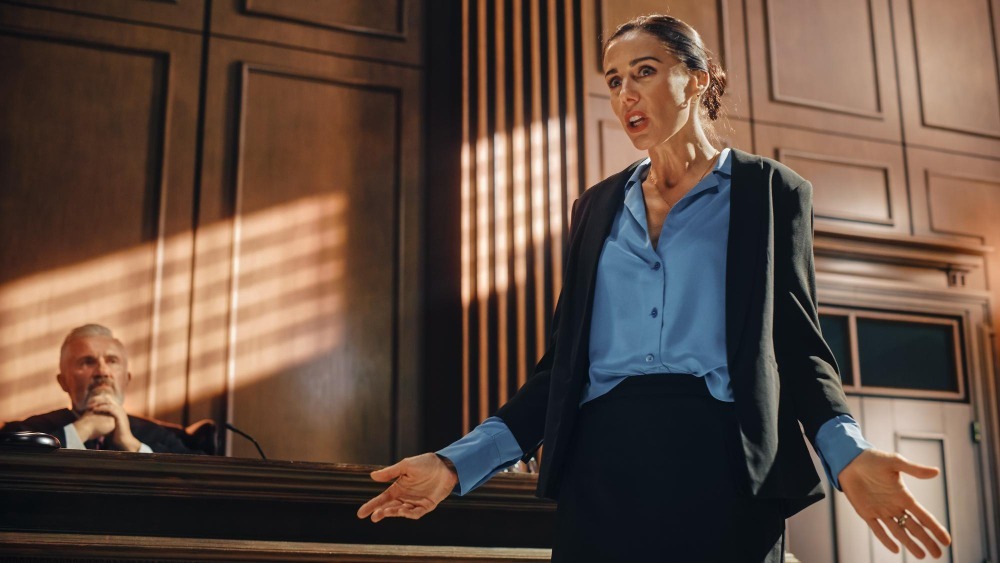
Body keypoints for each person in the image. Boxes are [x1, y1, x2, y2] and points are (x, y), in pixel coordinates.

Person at [358, 14, 953, 562]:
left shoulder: (771, 192)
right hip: (602, 471)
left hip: (725, 467)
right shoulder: (594, 208)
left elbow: (799, 351)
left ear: (697, 80)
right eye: (614, 80)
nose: (626, 95)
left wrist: (848, 455)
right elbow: (561, 372)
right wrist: (453, 464)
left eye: (644, 72)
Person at [1, 324, 199, 454]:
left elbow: (197, 481)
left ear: (127, 379)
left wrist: (131, 445)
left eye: (112, 361)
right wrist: (81, 430)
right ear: (63, 382)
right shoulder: (28, 431)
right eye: (87, 362)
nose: (102, 371)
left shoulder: (161, 436)